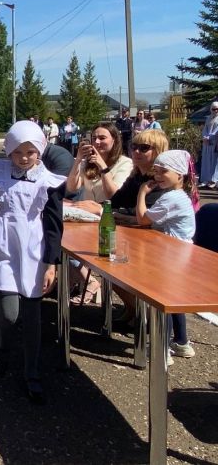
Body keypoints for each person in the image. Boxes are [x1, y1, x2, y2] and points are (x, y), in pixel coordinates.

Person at [0, 121, 65, 404]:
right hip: (4, 247)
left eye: (31, 152)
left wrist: (52, 263)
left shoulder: (49, 180)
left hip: (33, 249)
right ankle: (3, 348)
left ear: (39, 151)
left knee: (34, 317)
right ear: (9, 151)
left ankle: (32, 373)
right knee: (10, 313)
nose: (24, 158)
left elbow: (53, 224)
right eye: (18, 152)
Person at [69, 129, 170, 324]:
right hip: (128, 233)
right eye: (134, 147)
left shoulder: (159, 180)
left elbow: (145, 217)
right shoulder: (137, 176)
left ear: (158, 151)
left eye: (144, 148)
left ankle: (148, 319)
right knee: (106, 261)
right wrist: (78, 161)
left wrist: (106, 211)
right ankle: (133, 310)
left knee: (113, 263)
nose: (137, 152)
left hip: (158, 244)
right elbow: (117, 201)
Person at [136, 149, 198, 364]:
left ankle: (162, 350)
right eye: (157, 171)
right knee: (173, 300)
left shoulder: (172, 198)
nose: (158, 176)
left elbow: (143, 219)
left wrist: (142, 193)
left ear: (179, 175)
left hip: (171, 255)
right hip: (179, 253)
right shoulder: (178, 196)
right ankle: (181, 342)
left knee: (162, 301)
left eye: (164, 171)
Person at [65, 122, 133, 304]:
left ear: (114, 140)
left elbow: (114, 195)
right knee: (56, 237)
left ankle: (86, 282)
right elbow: (72, 187)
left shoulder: (125, 163)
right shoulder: (87, 162)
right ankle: (84, 279)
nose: (97, 142)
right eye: (94, 138)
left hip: (111, 219)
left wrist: (103, 167)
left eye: (102, 138)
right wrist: (78, 160)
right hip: (87, 218)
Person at [199, 101, 218, 188]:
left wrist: (209, 138)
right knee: (206, 161)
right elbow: (205, 129)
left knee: (214, 162)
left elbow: (216, 131)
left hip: (214, 143)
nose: (216, 111)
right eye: (214, 109)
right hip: (207, 143)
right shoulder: (208, 118)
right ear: (211, 109)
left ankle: (214, 180)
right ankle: (206, 179)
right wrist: (205, 137)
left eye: (217, 109)